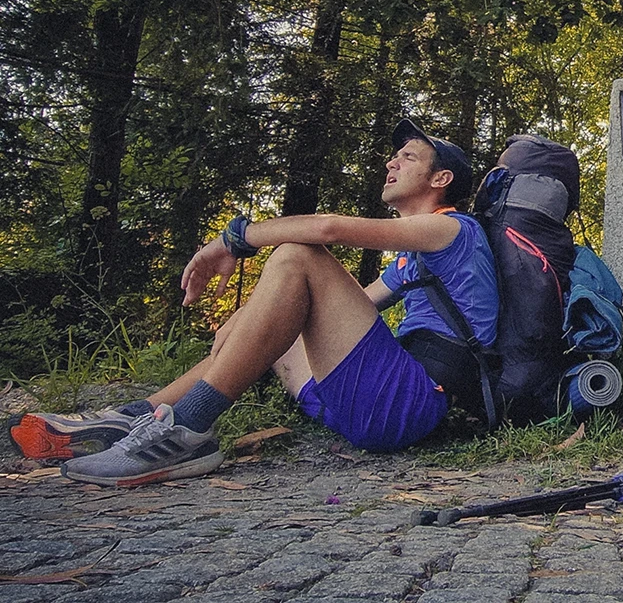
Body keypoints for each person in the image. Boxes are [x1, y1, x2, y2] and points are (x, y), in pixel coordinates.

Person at [6, 119, 498, 486]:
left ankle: (187, 431)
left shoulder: (453, 228)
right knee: (280, 308)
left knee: (298, 253)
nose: (391, 161)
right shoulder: (412, 260)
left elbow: (326, 231)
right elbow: (348, 308)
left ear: (442, 180)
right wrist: (249, 319)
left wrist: (236, 239)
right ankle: (137, 416)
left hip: (407, 406)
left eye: (409, 157)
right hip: (368, 404)